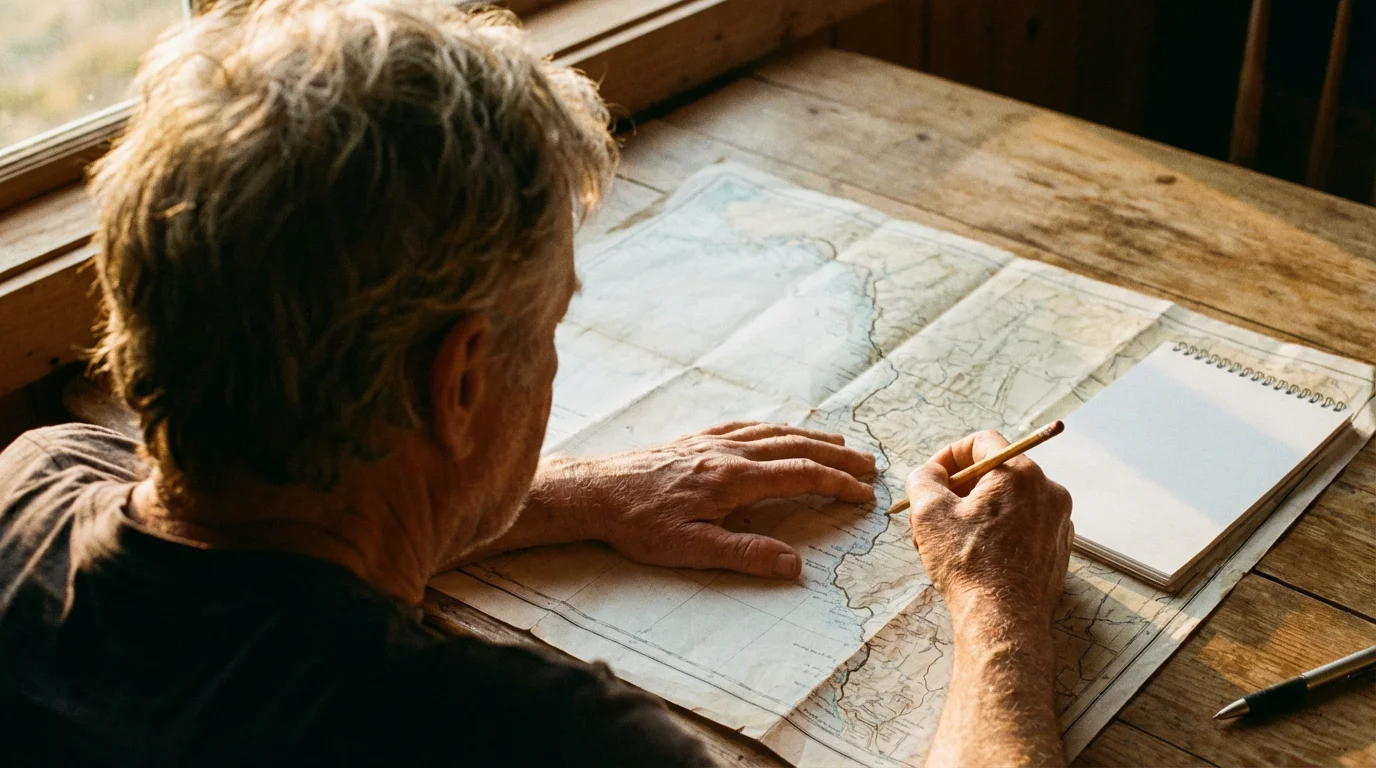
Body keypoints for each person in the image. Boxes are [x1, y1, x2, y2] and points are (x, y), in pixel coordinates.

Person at [0, 1, 1073, 766]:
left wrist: (579, 493)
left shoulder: (32, 481)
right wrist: (998, 609)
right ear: (460, 381)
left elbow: (253, 530)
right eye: (550, 323)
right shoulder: (536, 740)